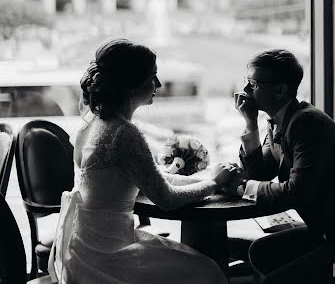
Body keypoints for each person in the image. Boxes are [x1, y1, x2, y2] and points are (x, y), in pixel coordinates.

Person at [48, 38, 236, 284]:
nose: (158, 83)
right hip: (107, 257)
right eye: (152, 76)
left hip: (81, 248)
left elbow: (153, 177)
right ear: (131, 84)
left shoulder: (93, 123)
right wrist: (213, 183)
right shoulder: (122, 133)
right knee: (207, 271)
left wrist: (205, 178)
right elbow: (167, 199)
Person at [230, 49, 335, 283]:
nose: (246, 90)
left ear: (280, 90)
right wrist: (250, 123)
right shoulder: (280, 121)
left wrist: (241, 188)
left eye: (253, 83)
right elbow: (262, 172)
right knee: (261, 252)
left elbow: (295, 192)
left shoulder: (307, 124)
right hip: (330, 232)